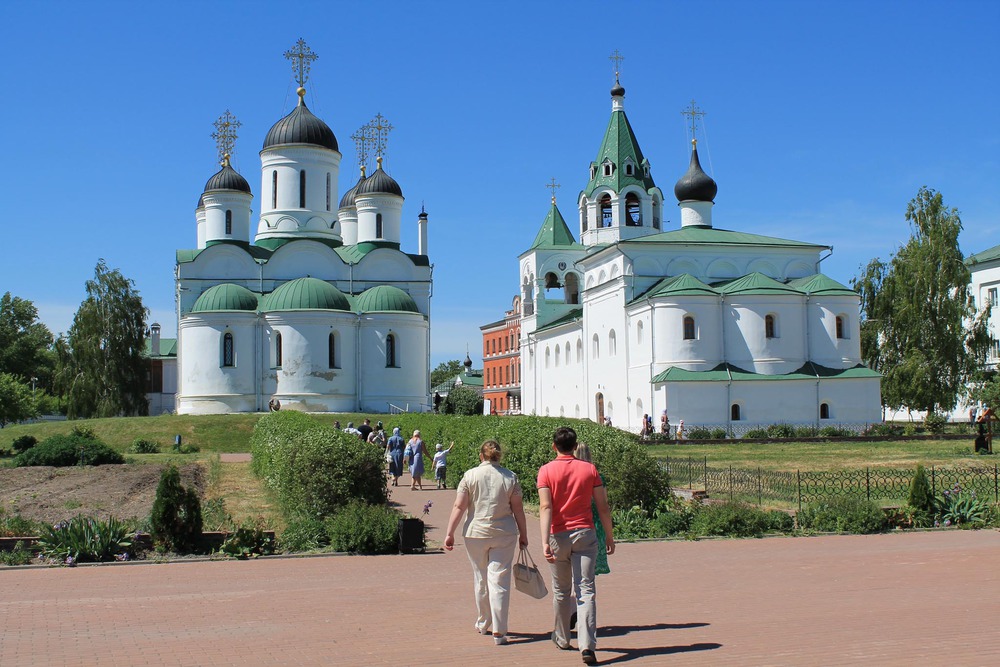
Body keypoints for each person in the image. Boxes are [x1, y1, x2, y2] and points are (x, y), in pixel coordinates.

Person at [538, 426, 614, 666]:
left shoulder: (546, 471)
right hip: (585, 533)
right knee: (586, 590)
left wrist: (544, 541)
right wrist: (609, 536)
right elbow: (603, 506)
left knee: (561, 590)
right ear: (574, 445)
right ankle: (587, 645)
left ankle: (562, 637)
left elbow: (545, 507)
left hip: (557, 534)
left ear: (554, 446)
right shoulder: (589, 469)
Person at [444, 440, 529, 646]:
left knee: (481, 578)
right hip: (504, 533)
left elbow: (459, 505)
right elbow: (518, 509)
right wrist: (524, 535)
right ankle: (499, 631)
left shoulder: (470, 475)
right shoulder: (510, 477)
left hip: (476, 533)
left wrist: (450, 533)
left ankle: (484, 622)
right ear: (499, 456)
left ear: (481, 455)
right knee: (499, 580)